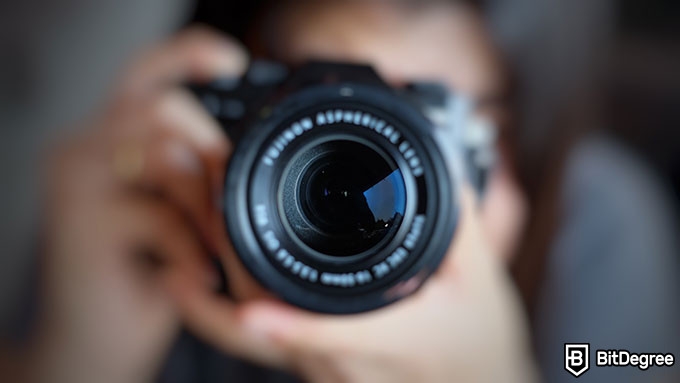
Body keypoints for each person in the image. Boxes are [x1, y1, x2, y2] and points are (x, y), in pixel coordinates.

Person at [3, 1, 678, 383]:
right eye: (312, 108)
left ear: (523, 150)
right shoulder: (164, 211)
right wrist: (76, 357)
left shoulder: (596, 228)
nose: (373, 181)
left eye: (439, 127)